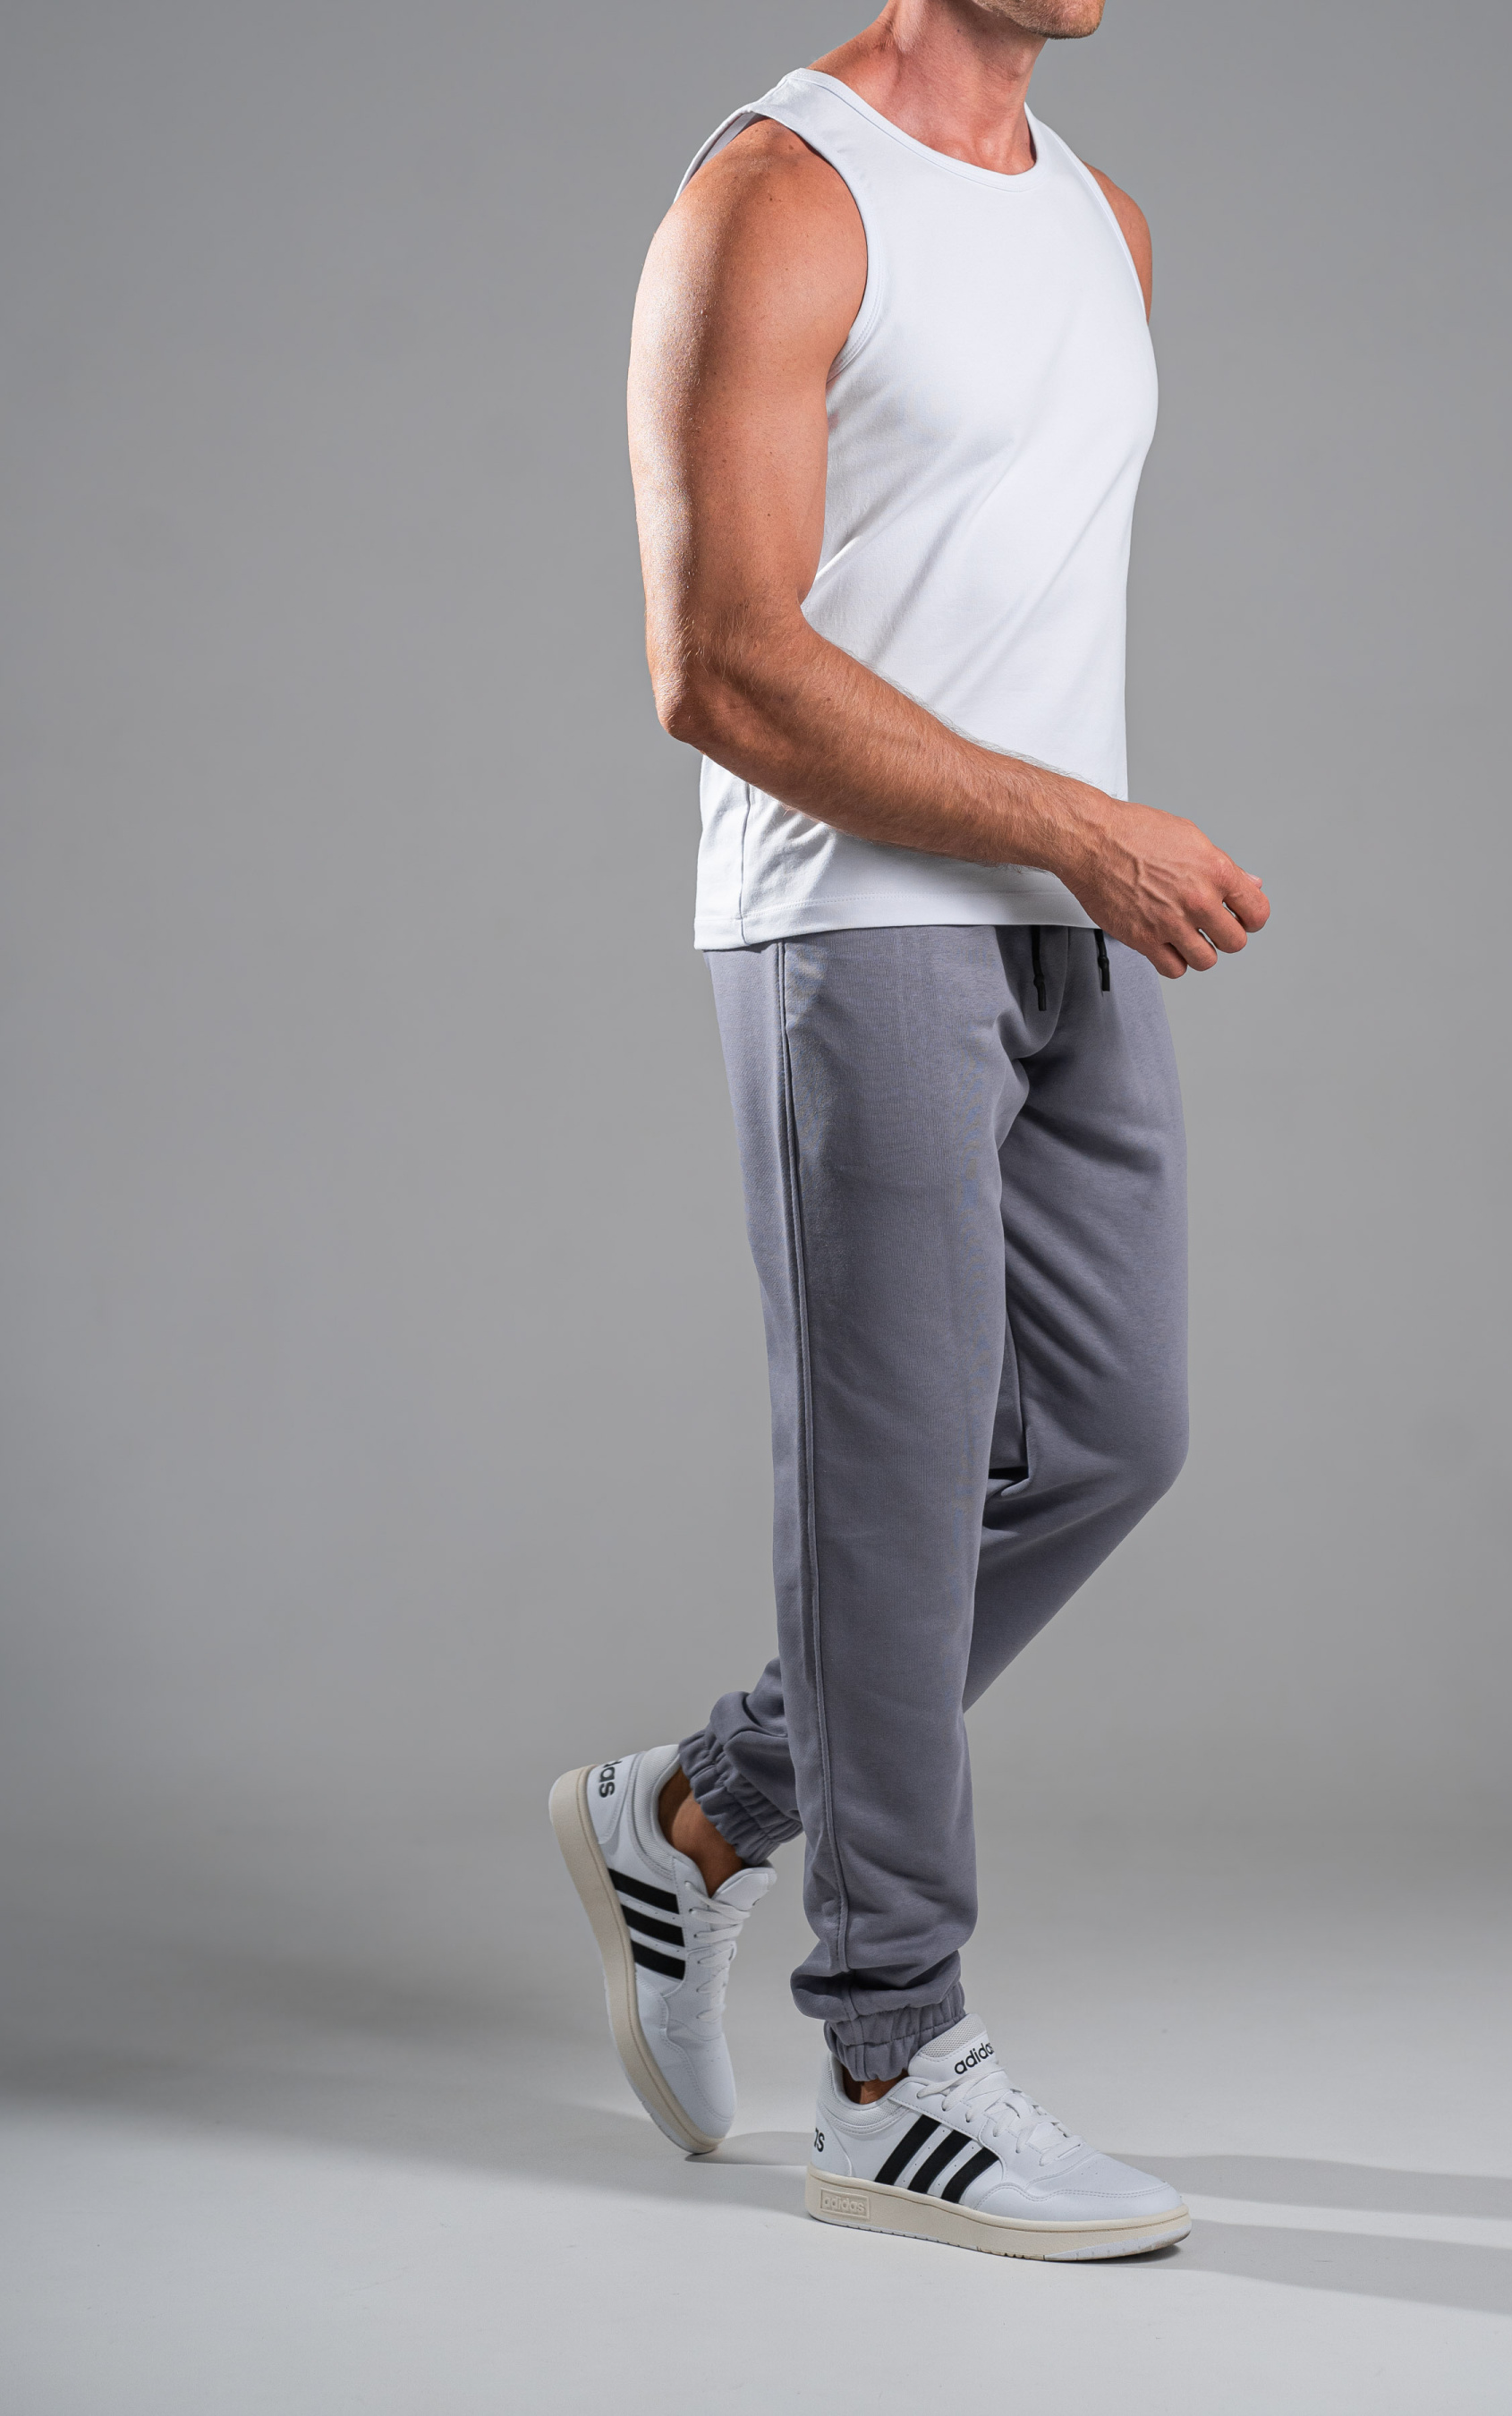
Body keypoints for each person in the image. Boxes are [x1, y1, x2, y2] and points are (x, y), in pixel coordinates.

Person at [550, 0, 1268, 2262]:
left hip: (1059, 922)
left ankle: (694, 1813)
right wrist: (1087, 829)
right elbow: (717, 659)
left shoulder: (1099, 221)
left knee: (1107, 1436)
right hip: (851, 924)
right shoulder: (776, 195)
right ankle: (888, 2065)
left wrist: (1074, 856)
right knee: (888, 1486)